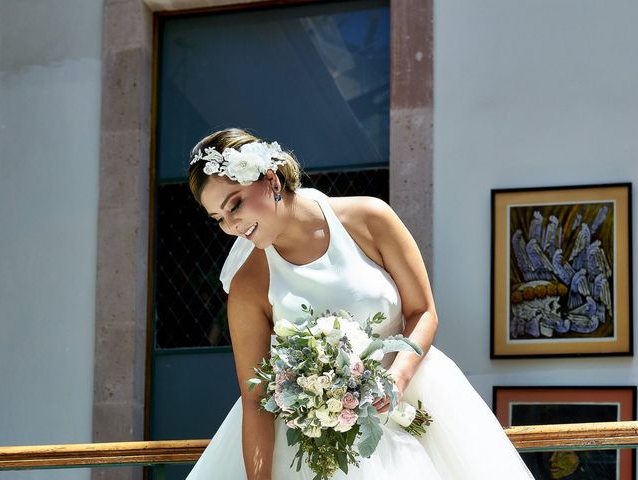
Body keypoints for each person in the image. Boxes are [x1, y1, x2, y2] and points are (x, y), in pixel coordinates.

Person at [185, 128, 534, 479]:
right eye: (218, 219)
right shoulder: (248, 283)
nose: (231, 225)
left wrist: (397, 378)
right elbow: (255, 398)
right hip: (310, 443)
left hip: (411, 404)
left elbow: (423, 312)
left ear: (272, 181)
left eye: (235, 204)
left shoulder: (370, 219)